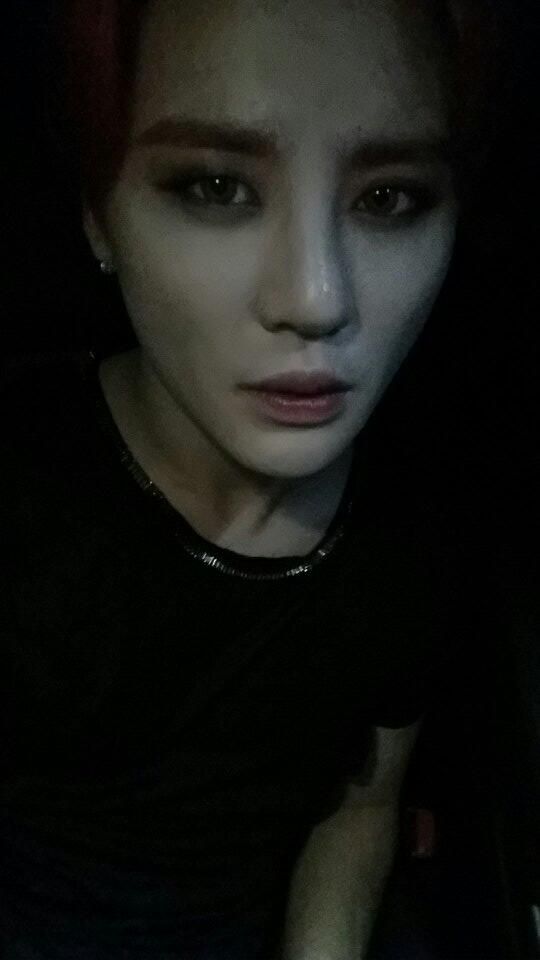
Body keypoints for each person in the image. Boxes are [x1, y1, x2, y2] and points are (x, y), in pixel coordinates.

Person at [1, 0, 501, 957]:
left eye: (390, 198)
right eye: (217, 185)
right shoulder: (24, 481)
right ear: (99, 215)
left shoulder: (420, 522)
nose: (315, 298)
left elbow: (360, 809)